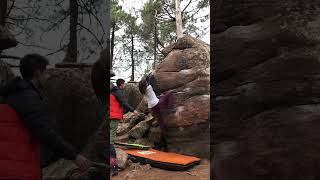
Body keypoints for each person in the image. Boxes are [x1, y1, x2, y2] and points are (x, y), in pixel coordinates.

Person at [0, 54, 91, 179]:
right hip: (16, 168)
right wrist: (75, 156)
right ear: (37, 74)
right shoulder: (27, 96)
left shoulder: (13, 94)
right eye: (46, 73)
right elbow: (44, 131)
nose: (48, 77)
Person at [110, 77, 139, 176]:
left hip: (111, 116)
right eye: (124, 84)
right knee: (110, 142)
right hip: (113, 118)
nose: (125, 85)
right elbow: (124, 103)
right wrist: (133, 111)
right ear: (121, 84)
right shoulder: (117, 92)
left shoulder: (112, 92)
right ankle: (113, 167)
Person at [138, 72, 174, 151]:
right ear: (146, 84)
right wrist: (151, 74)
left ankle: (162, 145)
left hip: (152, 107)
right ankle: (170, 109)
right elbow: (151, 80)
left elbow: (151, 92)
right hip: (157, 104)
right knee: (170, 92)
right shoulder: (149, 87)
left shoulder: (143, 91)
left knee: (162, 125)